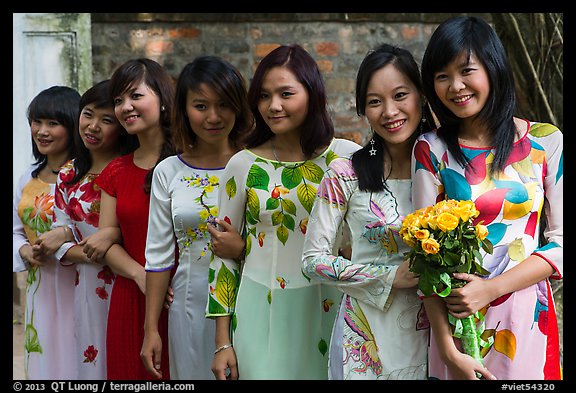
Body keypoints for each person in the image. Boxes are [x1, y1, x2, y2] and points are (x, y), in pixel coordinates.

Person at [414, 15, 563, 380]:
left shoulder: (546, 142)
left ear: (493, 69)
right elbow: (422, 257)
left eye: (467, 71)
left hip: (527, 317)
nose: (455, 86)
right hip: (457, 325)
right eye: (442, 76)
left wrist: (491, 289)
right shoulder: (430, 149)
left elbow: (560, 242)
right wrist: (449, 354)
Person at [206, 43, 362, 380]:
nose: (273, 106)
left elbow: (370, 238)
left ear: (313, 93)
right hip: (258, 304)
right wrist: (222, 343)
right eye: (264, 96)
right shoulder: (242, 165)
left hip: (331, 305)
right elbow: (222, 256)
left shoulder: (348, 158)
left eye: (286, 94)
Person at [301, 44, 434, 380]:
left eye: (400, 95)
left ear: (421, 95)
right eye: (375, 101)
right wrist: (389, 276)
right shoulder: (345, 174)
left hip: (436, 332)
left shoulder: (447, 170)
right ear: (363, 109)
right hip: (366, 339)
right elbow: (312, 261)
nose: (390, 111)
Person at [141, 56, 252, 380]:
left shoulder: (258, 165)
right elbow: (158, 255)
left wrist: (242, 248)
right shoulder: (169, 172)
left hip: (254, 299)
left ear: (238, 107)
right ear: (184, 110)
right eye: (201, 106)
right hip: (191, 306)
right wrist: (151, 330)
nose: (213, 117)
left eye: (223, 105)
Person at [82, 58, 176, 380]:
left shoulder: (188, 163)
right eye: (119, 100)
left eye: (136, 96)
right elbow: (105, 240)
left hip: (182, 293)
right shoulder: (117, 171)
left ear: (163, 100)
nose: (125, 107)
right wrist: (141, 276)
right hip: (130, 295)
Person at [47, 80, 139, 379]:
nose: (93, 126)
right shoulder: (69, 172)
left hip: (130, 280)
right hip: (87, 286)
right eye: (88, 114)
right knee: (92, 362)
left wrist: (105, 240)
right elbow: (60, 236)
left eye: (106, 120)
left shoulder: (131, 170)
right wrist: (90, 253)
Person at [12, 85, 80, 379]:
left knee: (79, 359)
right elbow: (15, 232)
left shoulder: (88, 177)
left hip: (81, 286)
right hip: (40, 288)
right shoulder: (27, 177)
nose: (41, 130)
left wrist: (65, 234)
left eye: (53, 123)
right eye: (37, 122)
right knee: (44, 364)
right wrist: (24, 250)